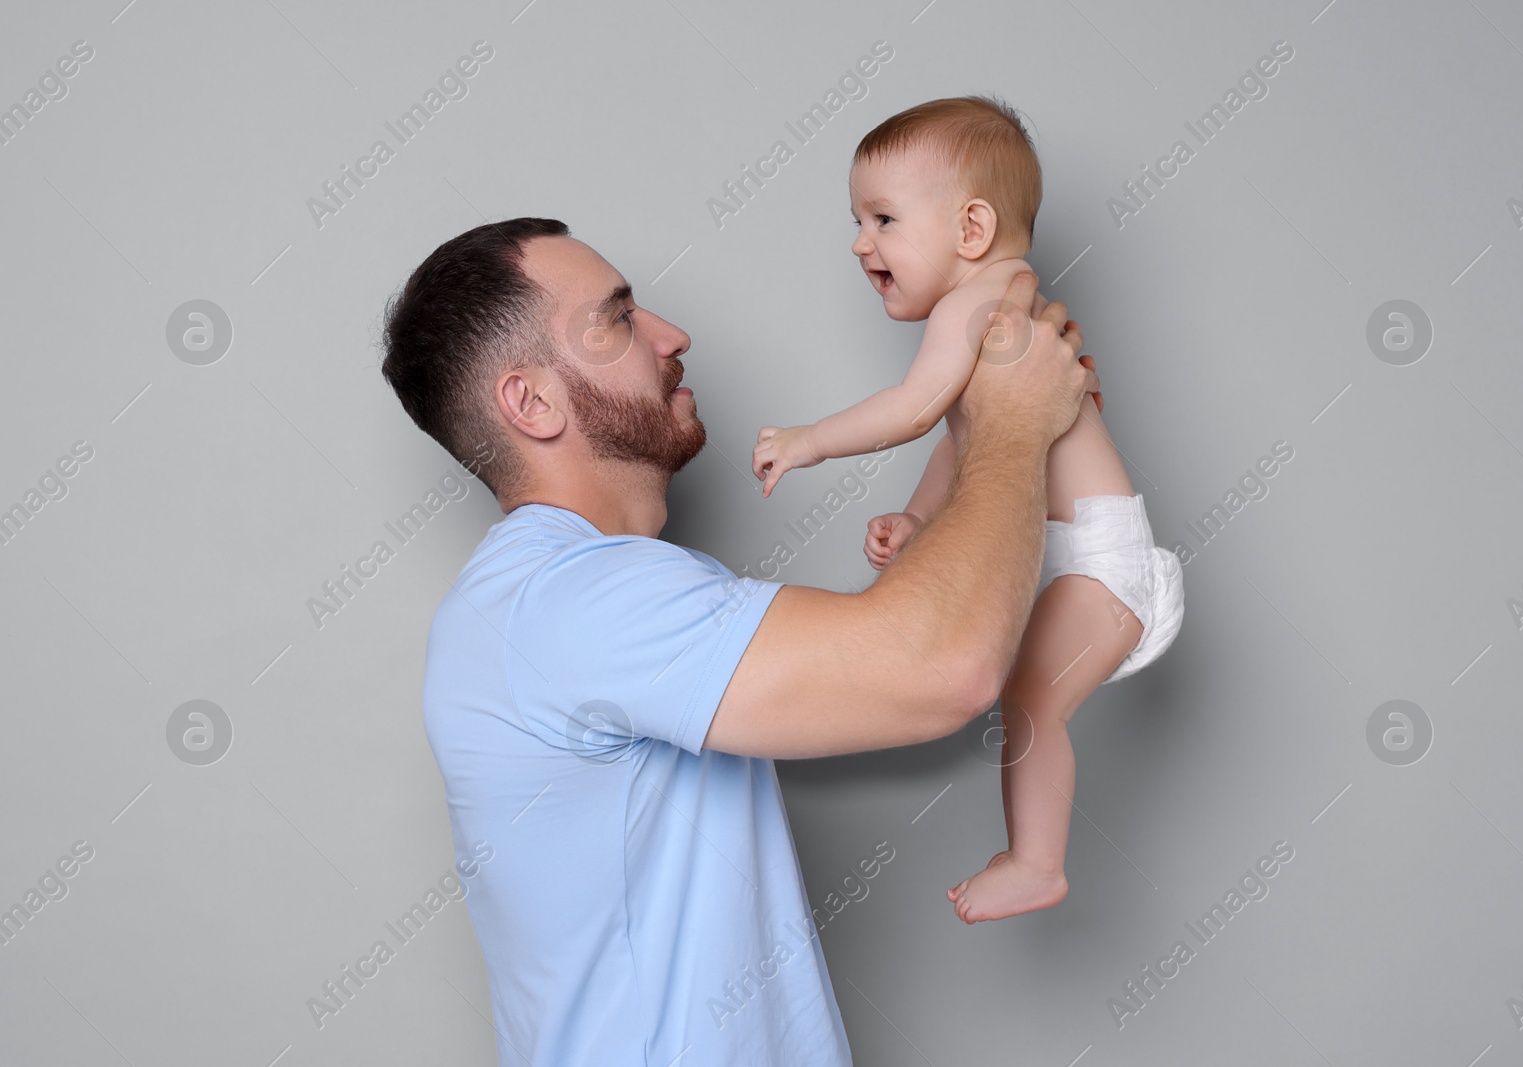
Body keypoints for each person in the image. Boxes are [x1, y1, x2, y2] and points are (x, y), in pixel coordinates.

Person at [380, 215, 1098, 1066]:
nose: (672, 335)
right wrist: (1014, 419)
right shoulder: (570, 599)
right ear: (531, 402)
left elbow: (907, 644)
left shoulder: (555, 600)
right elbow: (943, 667)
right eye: (618, 318)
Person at [749, 96, 1184, 924]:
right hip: (1069, 554)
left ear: (971, 229)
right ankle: (1032, 855)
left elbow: (915, 410)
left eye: (881, 218)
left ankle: (1036, 861)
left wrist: (810, 441)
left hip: (1096, 560)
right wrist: (918, 520)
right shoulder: (1006, 306)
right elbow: (970, 444)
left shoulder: (975, 307)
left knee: (1028, 703)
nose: (859, 242)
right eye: (856, 219)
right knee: (1019, 694)